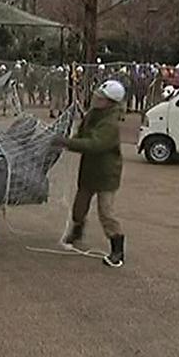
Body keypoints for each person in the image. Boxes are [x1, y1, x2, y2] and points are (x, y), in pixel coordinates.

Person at [52, 79, 126, 268]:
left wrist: (66, 143)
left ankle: (117, 248)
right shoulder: (94, 114)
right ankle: (77, 231)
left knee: (106, 212)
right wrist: (69, 140)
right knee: (79, 206)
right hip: (89, 170)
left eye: (101, 98)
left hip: (107, 174)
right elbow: (82, 135)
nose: (96, 99)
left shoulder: (110, 123)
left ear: (110, 102)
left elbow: (95, 144)